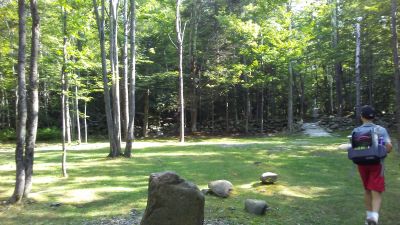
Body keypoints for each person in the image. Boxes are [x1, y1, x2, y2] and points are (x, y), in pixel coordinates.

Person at [352, 105, 392, 225]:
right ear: (373, 117)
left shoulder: (356, 131)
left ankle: (368, 217)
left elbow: (355, 149)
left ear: (361, 117)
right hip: (377, 164)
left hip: (362, 164)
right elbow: (389, 147)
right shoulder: (381, 130)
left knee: (367, 189)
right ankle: (374, 218)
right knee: (376, 190)